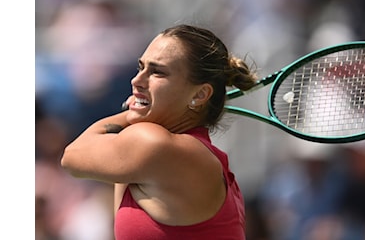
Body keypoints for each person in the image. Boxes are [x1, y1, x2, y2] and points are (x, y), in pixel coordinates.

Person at [61, 24, 258, 239]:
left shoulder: (157, 147)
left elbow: (71, 157)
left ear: (201, 94)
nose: (136, 80)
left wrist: (130, 113)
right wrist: (138, 111)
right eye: (141, 67)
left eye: (157, 72)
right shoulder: (158, 151)